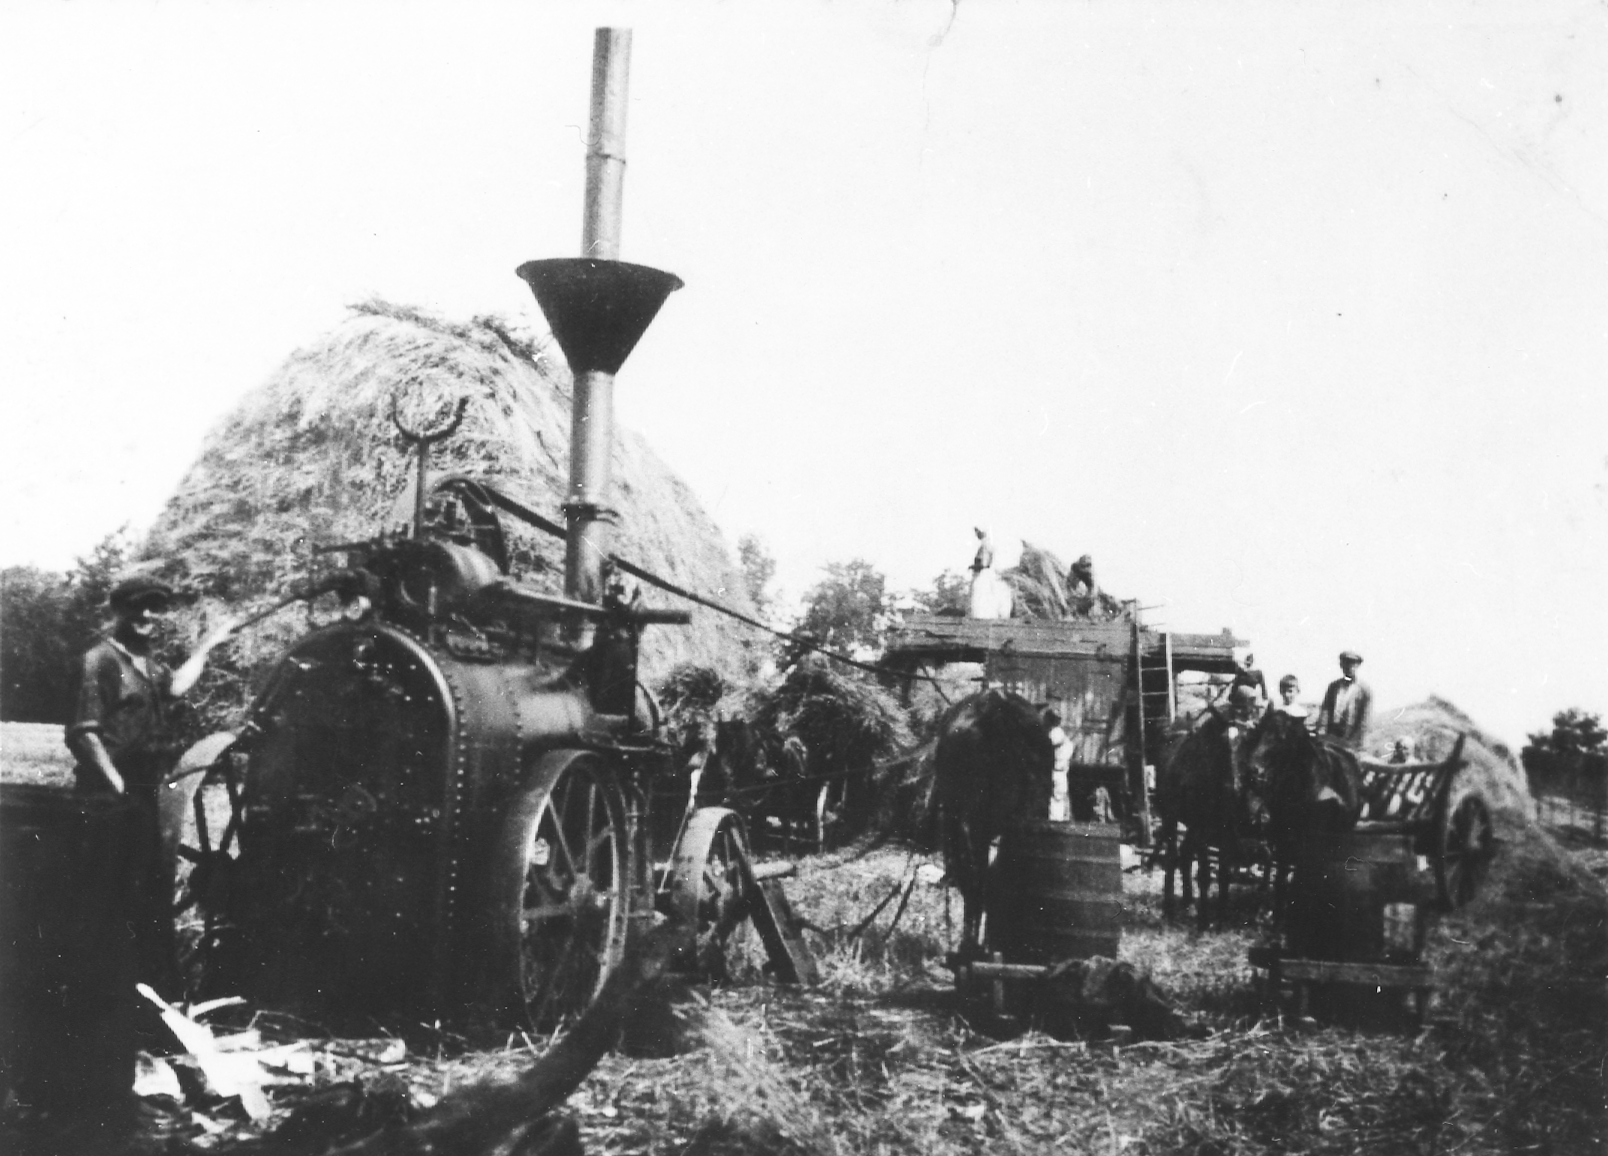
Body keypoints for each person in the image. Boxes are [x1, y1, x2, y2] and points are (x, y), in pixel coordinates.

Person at [65, 573, 237, 997]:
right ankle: (91, 990)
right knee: (105, 894)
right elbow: (84, 733)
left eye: (155, 608)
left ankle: (137, 990)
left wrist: (207, 647)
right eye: (138, 607)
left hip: (143, 791)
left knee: (142, 889)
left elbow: (176, 686)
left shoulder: (148, 662)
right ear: (119, 612)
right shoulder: (100, 660)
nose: (147, 616)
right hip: (106, 796)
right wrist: (117, 782)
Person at [1315, 650, 1372, 749]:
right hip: (1332, 733)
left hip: (1353, 737)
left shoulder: (1364, 690)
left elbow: (1364, 721)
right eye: (1345, 664)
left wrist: (1354, 741)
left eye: (1352, 665)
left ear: (1357, 666)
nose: (1349, 668)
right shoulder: (1333, 686)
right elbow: (1326, 710)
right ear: (1341, 666)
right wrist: (1322, 730)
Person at [1044, 708, 1073, 821]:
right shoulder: (1060, 734)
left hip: (1056, 771)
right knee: (1058, 798)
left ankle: (1055, 822)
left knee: (1056, 799)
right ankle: (1057, 820)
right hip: (1060, 770)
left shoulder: (1054, 733)